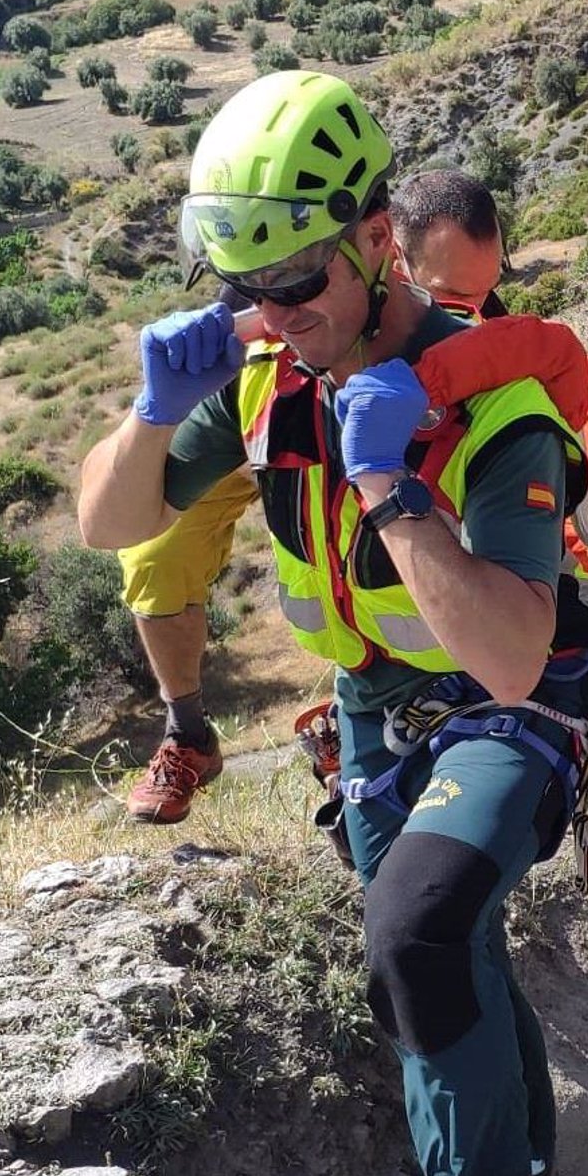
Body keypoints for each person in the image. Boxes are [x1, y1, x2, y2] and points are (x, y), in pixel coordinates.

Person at [77, 73, 588, 1176]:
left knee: (419, 930)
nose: (272, 310)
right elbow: (107, 521)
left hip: (511, 702)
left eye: (296, 278)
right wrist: (153, 408)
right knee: (443, 949)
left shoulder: (497, 415)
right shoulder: (263, 374)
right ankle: (513, 1175)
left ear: (377, 237)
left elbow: (504, 652)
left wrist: (395, 490)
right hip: (378, 711)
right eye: (240, 283)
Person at [113, 167, 511, 825]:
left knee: (366, 537)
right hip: (264, 402)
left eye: (483, 294)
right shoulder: (293, 269)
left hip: (366, 415)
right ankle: (186, 730)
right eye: (450, 295)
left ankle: (356, 708)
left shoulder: (452, 330)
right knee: (156, 553)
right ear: (387, 251)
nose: (467, 312)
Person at [391, 167, 509, 319]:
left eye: (489, 288)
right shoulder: (365, 334)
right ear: (396, 258)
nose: (477, 311)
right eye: (455, 294)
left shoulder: (489, 308)